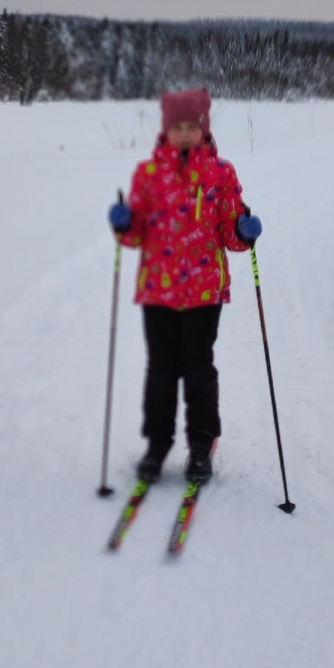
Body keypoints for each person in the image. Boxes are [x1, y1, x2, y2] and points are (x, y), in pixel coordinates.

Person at [108, 88, 262, 485]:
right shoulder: (148, 173)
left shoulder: (221, 173)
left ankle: (201, 443)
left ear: (203, 129)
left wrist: (243, 232)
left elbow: (230, 232)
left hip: (204, 290)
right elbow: (137, 233)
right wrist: (125, 224)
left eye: (190, 127)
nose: (182, 134)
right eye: (176, 127)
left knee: (197, 367)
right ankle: (158, 443)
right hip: (158, 290)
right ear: (165, 129)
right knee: (160, 369)